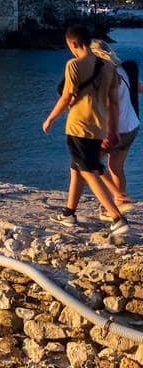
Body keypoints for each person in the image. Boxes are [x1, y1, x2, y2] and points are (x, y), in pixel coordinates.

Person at [43, 24, 127, 233]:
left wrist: (51, 118)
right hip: (99, 127)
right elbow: (114, 102)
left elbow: (66, 96)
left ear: (73, 43)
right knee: (76, 169)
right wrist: (114, 130)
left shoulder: (73, 65)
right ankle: (69, 213)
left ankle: (117, 218)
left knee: (87, 170)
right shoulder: (109, 67)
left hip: (78, 126)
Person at [95, 40, 140, 210]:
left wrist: (108, 133)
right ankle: (120, 202)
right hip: (132, 127)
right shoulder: (123, 70)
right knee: (115, 167)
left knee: (91, 162)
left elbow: (109, 104)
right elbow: (137, 88)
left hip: (116, 129)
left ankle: (118, 198)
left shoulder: (104, 75)